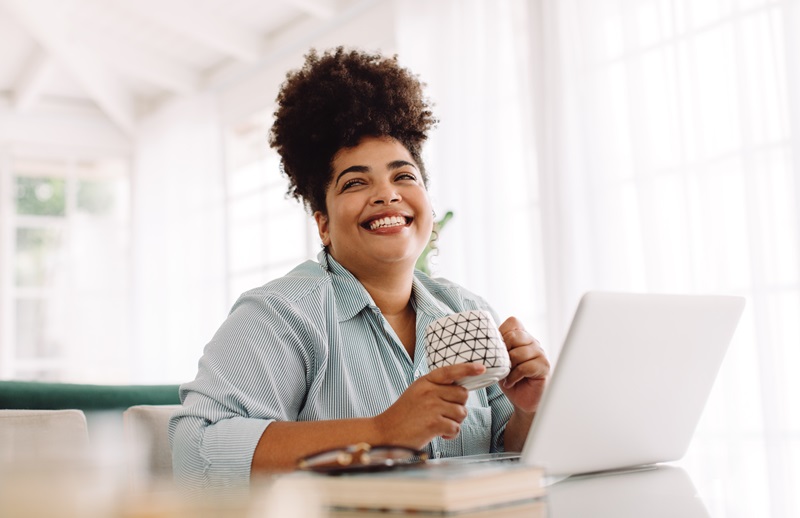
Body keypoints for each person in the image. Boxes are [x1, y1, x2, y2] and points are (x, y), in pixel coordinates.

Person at [169, 47, 550, 490]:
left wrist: (529, 410)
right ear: (323, 224)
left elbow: (510, 455)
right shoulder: (279, 316)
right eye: (355, 182)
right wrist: (380, 433)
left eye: (403, 176)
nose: (387, 194)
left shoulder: (465, 310)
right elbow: (195, 452)